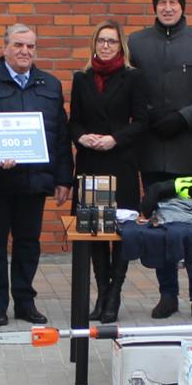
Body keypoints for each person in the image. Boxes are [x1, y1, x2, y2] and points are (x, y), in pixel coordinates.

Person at [126, 0, 192, 319]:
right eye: (162, 2)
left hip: (188, 147)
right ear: (154, 7)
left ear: (182, 6)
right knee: (160, 223)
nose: (167, 8)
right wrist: (150, 117)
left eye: (173, 2)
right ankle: (168, 294)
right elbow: (128, 87)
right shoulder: (136, 42)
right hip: (150, 147)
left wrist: (183, 118)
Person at [0, 24, 73, 327]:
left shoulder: (50, 84)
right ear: (5, 47)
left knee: (28, 243)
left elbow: (60, 134)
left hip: (34, 180)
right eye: (18, 45)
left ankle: (24, 301)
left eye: (30, 46)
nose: (24, 51)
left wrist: (63, 178)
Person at [69, 20, 149, 322]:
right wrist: (81, 137)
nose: (105, 46)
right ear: (94, 44)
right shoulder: (82, 78)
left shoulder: (133, 78)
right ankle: (102, 292)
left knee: (120, 231)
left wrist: (115, 138)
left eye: (111, 41)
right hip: (90, 164)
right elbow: (73, 121)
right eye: (101, 41)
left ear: (121, 46)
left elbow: (142, 121)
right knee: (94, 231)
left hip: (121, 164)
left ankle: (114, 294)